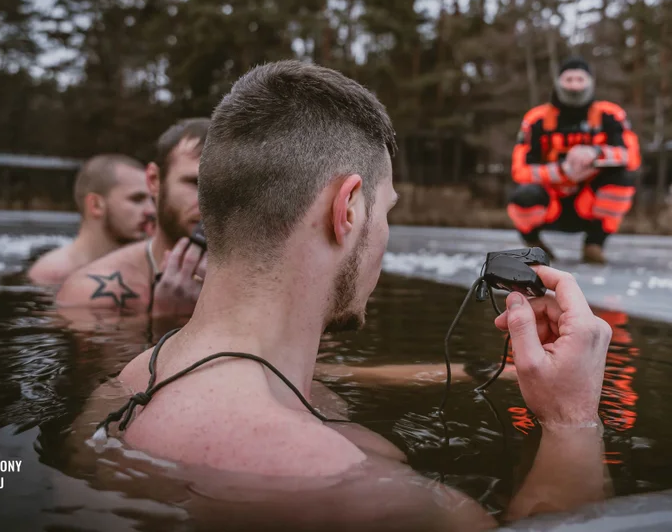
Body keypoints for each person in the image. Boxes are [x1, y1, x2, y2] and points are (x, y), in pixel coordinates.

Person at [87, 61, 613, 529]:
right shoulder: (352, 490)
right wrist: (572, 419)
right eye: (385, 211)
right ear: (349, 210)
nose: (384, 233)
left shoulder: (130, 382)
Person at [54, 119, 210, 316]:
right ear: (154, 180)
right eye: (196, 183)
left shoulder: (257, 282)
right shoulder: (92, 294)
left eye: (228, 187)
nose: (213, 201)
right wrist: (168, 320)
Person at [507, 57, 641, 265]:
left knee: (623, 179)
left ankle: (594, 244)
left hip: (587, 203)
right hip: (551, 204)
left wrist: (596, 153)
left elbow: (632, 157)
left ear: (590, 83)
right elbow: (519, 170)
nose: (575, 85)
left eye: (580, 79)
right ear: (559, 82)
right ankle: (534, 246)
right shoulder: (536, 119)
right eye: (569, 79)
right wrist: (563, 171)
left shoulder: (610, 115)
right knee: (522, 195)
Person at [28, 154, 155, 286]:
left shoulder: (153, 268)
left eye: (152, 200)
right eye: (137, 199)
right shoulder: (55, 274)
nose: (151, 210)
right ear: (96, 205)